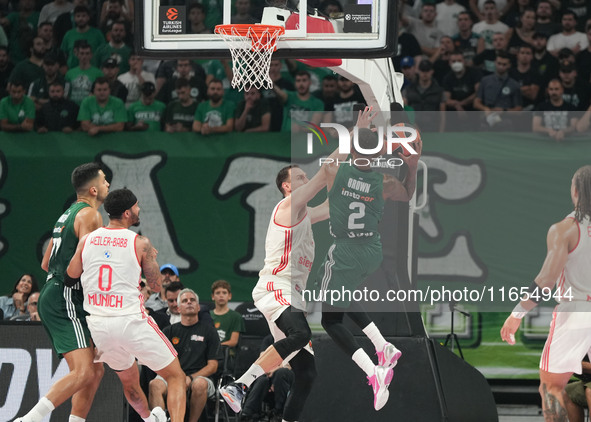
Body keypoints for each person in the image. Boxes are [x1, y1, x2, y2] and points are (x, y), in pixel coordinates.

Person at [220, 132, 335, 420]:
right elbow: (323, 174)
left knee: (307, 374)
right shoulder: (288, 206)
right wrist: (354, 137)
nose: (305, 180)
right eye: (299, 178)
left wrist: (341, 174)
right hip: (276, 286)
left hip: (292, 293)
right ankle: (240, 385)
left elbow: (333, 206)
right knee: (301, 334)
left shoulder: (305, 214)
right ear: (286, 187)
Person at [314, 117, 422, 411]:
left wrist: (352, 133)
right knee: (344, 298)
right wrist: (411, 167)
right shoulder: (385, 182)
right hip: (371, 250)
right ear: (376, 155)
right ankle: (383, 346)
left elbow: (333, 158)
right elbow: (407, 195)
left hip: (346, 251)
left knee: (330, 320)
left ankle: (374, 371)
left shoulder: (334, 171)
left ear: (353, 148)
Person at [66, 187, 186, 422]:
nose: (139, 209)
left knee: (128, 383)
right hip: (130, 321)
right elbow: (155, 284)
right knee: (176, 377)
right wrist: (151, 258)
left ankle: (149, 419)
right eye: (137, 206)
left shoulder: (87, 239)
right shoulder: (140, 242)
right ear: (128, 212)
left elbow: (71, 276)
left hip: (98, 325)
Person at [14, 163, 109, 422]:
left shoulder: (66, 215)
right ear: (93, 189)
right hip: (66, 295)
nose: (108, 185)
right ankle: (29, 419)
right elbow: (88, 261)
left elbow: (46, 264)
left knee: (96, 370)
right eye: (104, 181)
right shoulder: (91, 214)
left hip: (57, 290)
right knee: (84, 372)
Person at [501, 166, 591, 422]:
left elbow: (546, 281)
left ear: (575, 192)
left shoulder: (566, 229)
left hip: (576, 313)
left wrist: (517, 314)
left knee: (552, 387)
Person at [149, 288, 221, 422]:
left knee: (199, 384)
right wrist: (176, 377)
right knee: (155, 384)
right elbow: (158, 362)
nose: (189, 303)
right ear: (178, 308)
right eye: (185, 301)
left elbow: (213, 366)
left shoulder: (210, 331)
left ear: (198, 307)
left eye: (192, 300)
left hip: (199, 376)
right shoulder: (168, 331)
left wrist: (189, 377)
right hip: (171, 375)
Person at [240, 334, 295, 422]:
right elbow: (263, 359)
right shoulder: (269, 340)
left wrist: (274, 372)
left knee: (281, 373)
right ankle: (247, 413)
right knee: (262, 379)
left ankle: (278, 412)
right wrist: (271, 373)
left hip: (287, 375)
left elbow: (289, 364)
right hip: (269, 374)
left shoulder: (293, 339)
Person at [473, 51, 522, 127]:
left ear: (509, 65)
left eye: (504, 64)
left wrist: (504, 111)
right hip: (487, 117)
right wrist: (485, 108)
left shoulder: (514, 84)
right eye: (499, 63)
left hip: (505, 120)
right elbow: (476, 102)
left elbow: (518, 108)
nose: (501, 66)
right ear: (495, 63)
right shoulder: (485, 80)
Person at [60, 5, 106, 69]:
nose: (81, 19)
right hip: (72, 71)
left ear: (88, 17)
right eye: (78, 16)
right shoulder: (68, 34)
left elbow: (103, 53)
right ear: (74, 18)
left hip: (93, 71)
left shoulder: (97, 34)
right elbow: (63, 53)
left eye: (83, 16)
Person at [64, 40, 104, 105]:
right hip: (73, 107)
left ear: (91, 55)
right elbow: (66, 94)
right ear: (77, 55)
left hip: (90, 107)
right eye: (82, 53)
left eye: (87, 53)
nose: (84, 56)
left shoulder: (99, 74)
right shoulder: (69, 73)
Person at [210, 280, 245, 352]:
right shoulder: (207, 316)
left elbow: (233, 342)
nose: (221, 295)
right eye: (217, 293)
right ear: (213, 296)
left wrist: (216, 347)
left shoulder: (236, 316)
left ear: (229, 296)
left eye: (224, 293)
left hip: (227, 355)